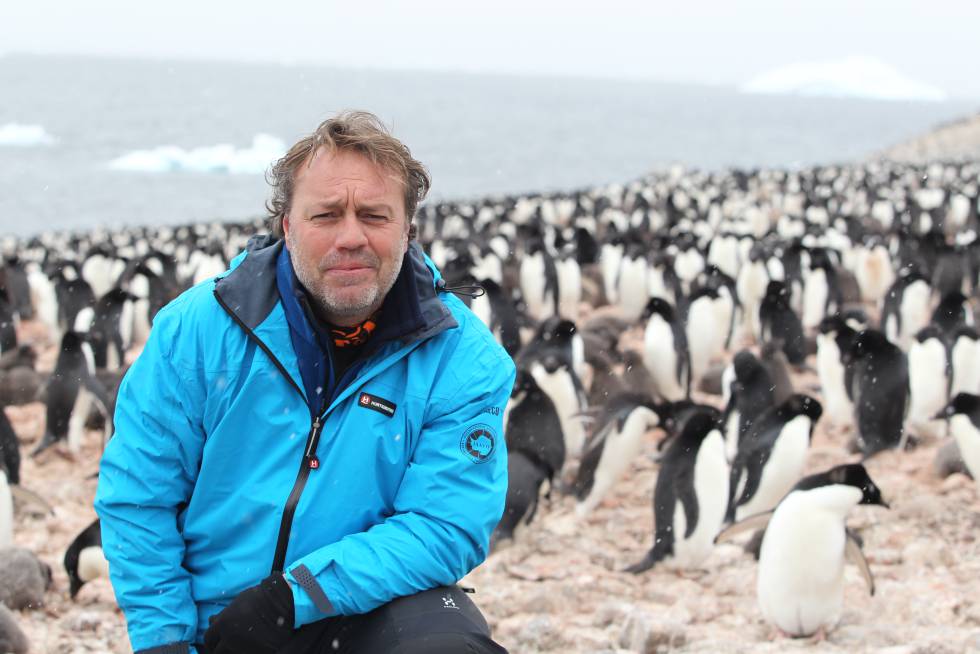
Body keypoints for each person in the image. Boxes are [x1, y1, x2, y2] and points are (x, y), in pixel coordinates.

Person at [94, 110, 515, 654]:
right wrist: (164, 640)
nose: (350, 237)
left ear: (408, 231)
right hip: (215, 626)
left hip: (363, 609)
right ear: (288, 227)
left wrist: (295, 596)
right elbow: (138, 495)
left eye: (373, 215)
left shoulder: (461, 358)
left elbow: (444, 525)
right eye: (325, 215)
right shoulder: (198, 331)